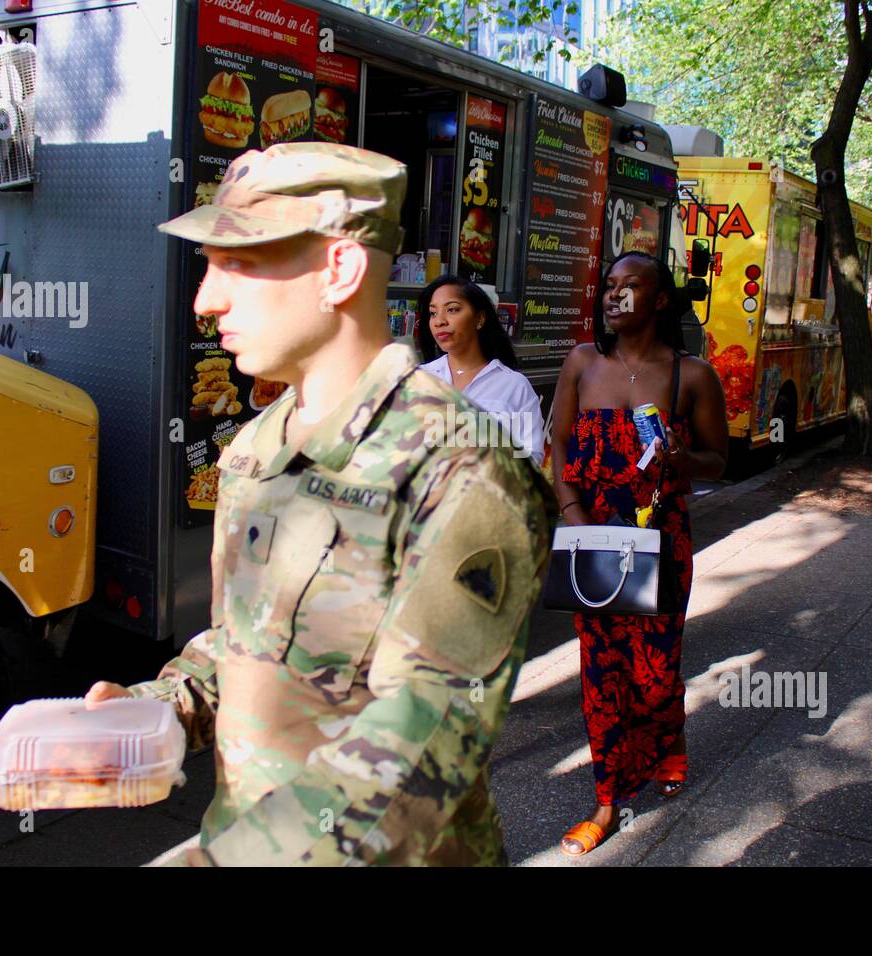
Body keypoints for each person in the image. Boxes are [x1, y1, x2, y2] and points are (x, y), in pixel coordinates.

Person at [86, 143, 557, 865]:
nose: (205, 300)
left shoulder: (462, 466)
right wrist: (161, 708)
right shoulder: (254, 449)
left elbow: (425, 740)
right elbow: (249, 638)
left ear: (338, 269)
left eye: (236, 263)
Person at [549, 252, 728, 857]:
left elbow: (717, 460)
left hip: (661, 541)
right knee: (602, 673)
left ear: (660, 300)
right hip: (596, 540)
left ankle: (668, 747)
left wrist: (682, 458)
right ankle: (606, 799)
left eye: (631, 287)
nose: (614, 295)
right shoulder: (582, 363)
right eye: (609, 286)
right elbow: (558, 449)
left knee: (655, 670)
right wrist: (576, 520)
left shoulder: (693, 375)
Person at [416, 275, 545, 466]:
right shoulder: (419, 380)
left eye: (452, 310)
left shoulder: (514, 386)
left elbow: (530, 458)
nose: (439, 321)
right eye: (433, 313)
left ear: (480, 318)